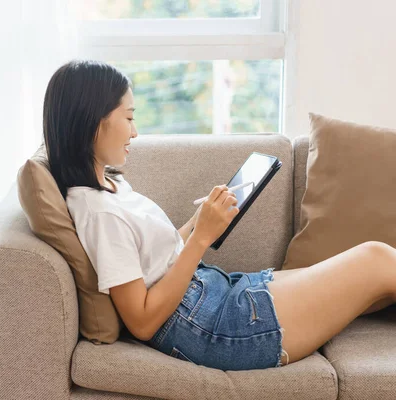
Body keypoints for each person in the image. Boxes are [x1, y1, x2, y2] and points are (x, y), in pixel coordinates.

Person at [41, 59, 396, 371]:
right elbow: (143, 321)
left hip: (215, 296)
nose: (135, 131)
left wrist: (199, 223)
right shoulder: (100, 212)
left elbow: (155, 261)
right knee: (375, 259)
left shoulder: (110, 186)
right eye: (128, 117)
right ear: (92, 122)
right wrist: (201, 239)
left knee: (374, 285)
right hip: (217, 329)